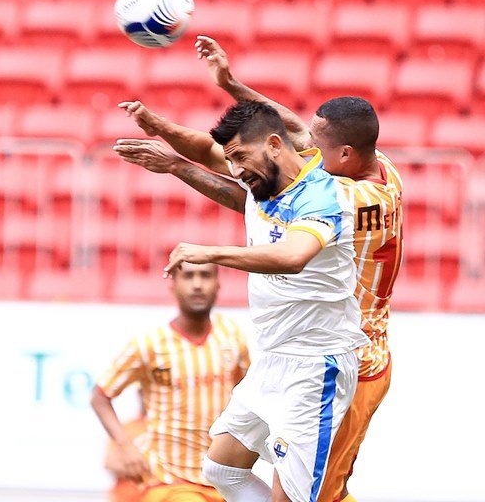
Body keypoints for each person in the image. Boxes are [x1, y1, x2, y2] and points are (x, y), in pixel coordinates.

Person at [115, 35, 403, 502]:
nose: (305, 145)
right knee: (226, 469)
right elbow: (284, 130)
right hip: (285, 351)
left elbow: (253, 198)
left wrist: (201, 232)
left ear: (345, 154)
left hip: (349, 352)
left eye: (316, 144)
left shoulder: (343, 198)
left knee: (317, 494)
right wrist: (231, 85)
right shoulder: (374, 166)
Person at [142, 100, 368, 502]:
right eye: (231, 161)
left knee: (296, 497)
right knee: (222, 467)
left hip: (315, 367)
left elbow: (293, 258)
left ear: (276, 144)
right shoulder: (263, 180)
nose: (235, 170)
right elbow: (204, 149)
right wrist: (157, 126)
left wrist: (210, 253)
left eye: (241, 158)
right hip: (271, 360)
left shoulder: (321, 195)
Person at [92, 261, 250, 502]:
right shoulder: (150, 344)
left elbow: (246, 394)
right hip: (168, 481)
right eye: (188, 277)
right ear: (173, 286)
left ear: (218, 284)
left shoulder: (232, 337)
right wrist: (126, 447)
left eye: (205, 276)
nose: (197, 285)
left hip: (221, 479)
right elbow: (100, 396)